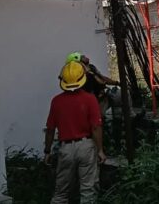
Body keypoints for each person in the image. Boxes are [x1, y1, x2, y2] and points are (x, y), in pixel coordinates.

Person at [44, 61, 107, 204]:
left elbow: (50, 129)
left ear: (62, 80)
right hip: (86, 147)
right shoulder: (90, 99)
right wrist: (100, 150)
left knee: (61, 192)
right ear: (83, 78)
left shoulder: (56, 101)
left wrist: (47, 151)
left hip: (65, 148)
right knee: (88, 190)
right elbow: (96, 127)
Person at [66, 52, 120, 117]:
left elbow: (103, 78)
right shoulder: (83, 77)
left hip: (105, 97)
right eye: (82, 57)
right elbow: (101, 82)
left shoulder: (92, 67)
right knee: (99, 118)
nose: (85, 57)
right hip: (98, 102)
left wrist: (117, 83)